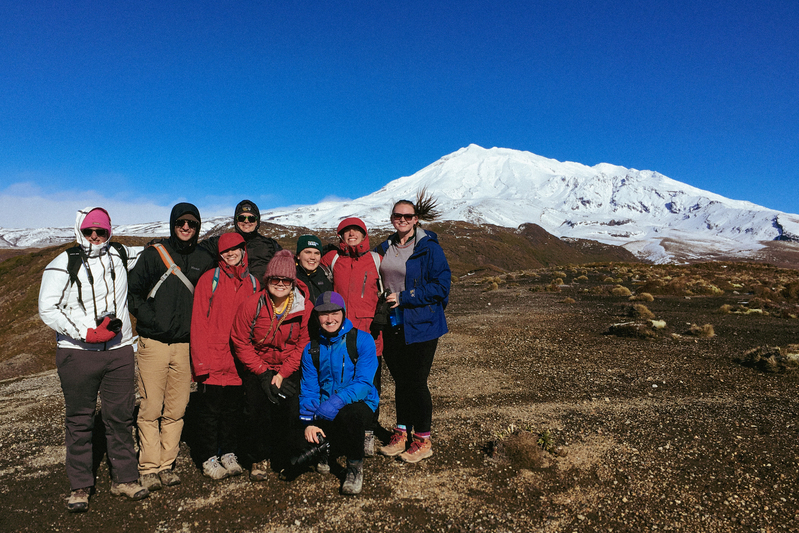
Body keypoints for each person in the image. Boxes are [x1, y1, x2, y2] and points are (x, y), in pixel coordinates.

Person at [38, 207, 148, 512]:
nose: (96, 237)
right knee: (79, 419)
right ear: (80, 231)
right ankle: (80, 486)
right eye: (89, 231)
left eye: (102, 231)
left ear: (110, 230)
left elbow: (157, 251)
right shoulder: (63, 264)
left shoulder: (121, 254)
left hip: (120, 351)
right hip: (77, 354)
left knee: (120, 416)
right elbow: (47, 308)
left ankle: (124, 478)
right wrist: (85, 333)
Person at [127, 203, 215, 491]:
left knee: (177, 408)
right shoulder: (154, 254)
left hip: (186, 346)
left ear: (198, 226)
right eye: (181, 223)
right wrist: (151, 319)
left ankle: (167, 464)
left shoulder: (204, 257)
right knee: (151, 406)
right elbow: (133, 291)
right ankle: (149, 466)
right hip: (154, 343)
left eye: (191, 223)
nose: (186, 227)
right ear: (173, 224)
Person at [375, 194, 450, 463]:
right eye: (398, 216)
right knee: (401, 382)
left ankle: (423, 439)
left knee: (417, 383)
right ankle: (402, 433)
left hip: (422, 325)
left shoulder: (429, 248)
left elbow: (441, 287)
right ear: (392, 219)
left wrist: (406, 297)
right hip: (392, 324)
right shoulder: (385, 247)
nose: (403, 220)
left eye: (408, 216)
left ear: (416, 219)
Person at [230, 250, 313, 479]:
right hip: (259, 365)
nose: (280, 284)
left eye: (285, 280)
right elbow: (240, 340)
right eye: (275, 279)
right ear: (267, 280)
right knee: (257, 409)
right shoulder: (252, 305)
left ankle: (285, 455)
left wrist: (283, 373)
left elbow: (304, 343)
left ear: (293, 282)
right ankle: (259, 457)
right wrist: (263, 372)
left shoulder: (304, 307)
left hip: (289, 366)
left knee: (290, 408)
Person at [189, 233, 260, 480]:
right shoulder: (209, 280)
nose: (231, 254)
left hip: (238, 360)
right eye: (225, 251)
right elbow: (198, 322)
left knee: (232, 410)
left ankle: (228, 452)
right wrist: (200, 362)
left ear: (243, 250)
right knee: (209, 412)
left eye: (235, 249)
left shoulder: (253, 283)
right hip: (213, 358)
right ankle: (209, 457)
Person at [298, 291, 379, 495]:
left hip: (358, 403)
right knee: (297, 444)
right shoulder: (311, 349)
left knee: (350, 415)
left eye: (334, 312)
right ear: (317, 317)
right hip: (325, 409)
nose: (330, 319)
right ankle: (326, 447)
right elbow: (309, 388)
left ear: (343, 313)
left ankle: (354, 467)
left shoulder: (362, 340)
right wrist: (311, 422)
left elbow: (363, 383)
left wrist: (334, 402)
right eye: (324, 314)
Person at [321, 218, 384, 452]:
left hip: (369, 334)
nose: (351, 235)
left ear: (364, 234)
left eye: (356, 231)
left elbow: (388, 291)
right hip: (339, 335)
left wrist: (382, 313)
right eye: (346, 232)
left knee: (370, 385)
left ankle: (368, 431)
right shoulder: (333, 259)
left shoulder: (376, 260)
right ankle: (337, 431)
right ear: (340, 237)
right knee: (338, 381)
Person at [200, 199, 282, 283]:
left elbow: (287, 269)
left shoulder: (270, 245)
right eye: (241, 218)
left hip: (260, 294)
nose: (246, 221)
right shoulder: (220, 242)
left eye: (251, 218)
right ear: (236, 221)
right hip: (230, 294)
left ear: (257, 221)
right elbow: (196, 252)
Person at [295, 234, 333, 302]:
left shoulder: (326, 276)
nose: (312, 257)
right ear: (298, 256)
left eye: (317, 253)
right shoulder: (290, 277)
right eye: (308, 252)